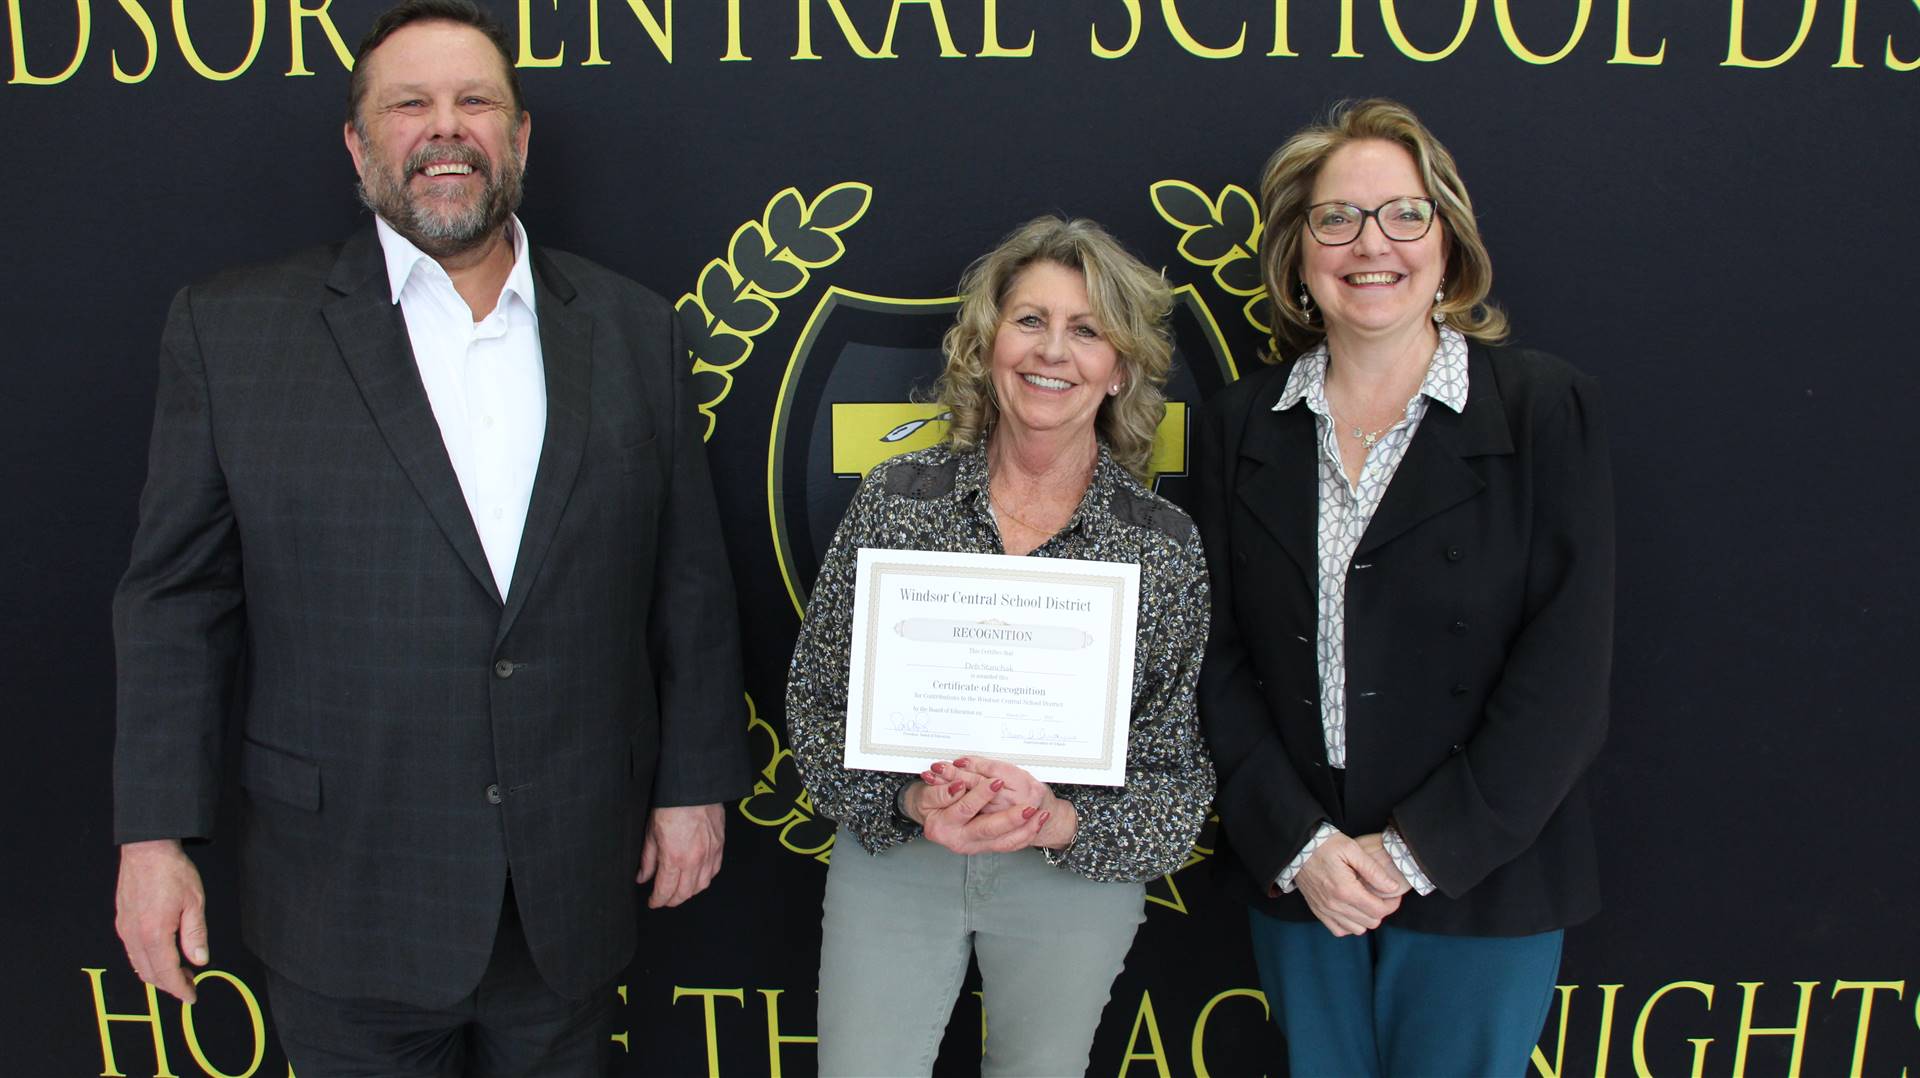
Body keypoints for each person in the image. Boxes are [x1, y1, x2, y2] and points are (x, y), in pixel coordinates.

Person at [109, 0, 749, 1071]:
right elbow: (175, 604)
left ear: (520, 137)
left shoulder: (636, 329)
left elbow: (686, 581)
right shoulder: (233, 331)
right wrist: (153, 836)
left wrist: (692, 783)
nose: (444, 127)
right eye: (409, 104)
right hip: (345, 892)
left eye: (474, 102)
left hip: (571, 888)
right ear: (360, 147)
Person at [1192, 98, 1615, 1077]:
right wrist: (1301, 844)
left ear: (1449, 243)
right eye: (1336, 217)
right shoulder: (1238, 424)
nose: (1370, 242)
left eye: (1403, 213)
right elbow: (1213, 654)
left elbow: (1568, 668)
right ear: (1297, 253)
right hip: (1304, 878)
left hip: (1481, 875)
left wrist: (1408, 854)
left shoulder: (1545, 407)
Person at [785, 216, 1216, 1076]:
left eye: (1086, 330)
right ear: (986, 345)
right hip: (898, 860)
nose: (1052, 351)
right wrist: (911, 803)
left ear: (1119, 367)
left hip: (1069, 876)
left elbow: (1178, 778)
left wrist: (1056, 819)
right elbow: (815, 703)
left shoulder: (1162, 544)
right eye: (1030, 320)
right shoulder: (896, 503)